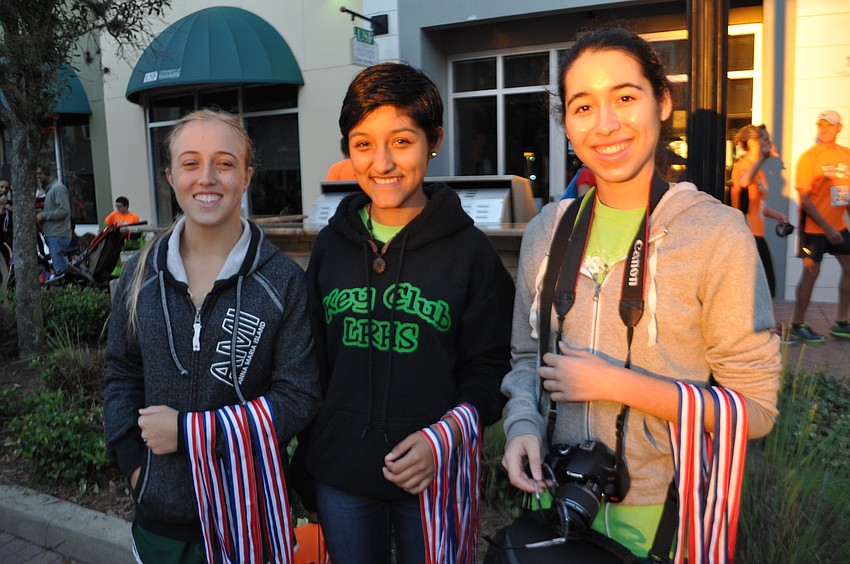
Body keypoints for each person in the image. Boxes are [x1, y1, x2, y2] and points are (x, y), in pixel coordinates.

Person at [500, 28, 780, 560]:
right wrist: (521, 427)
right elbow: (523, 359)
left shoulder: (716, 234)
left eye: (625, 97)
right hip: (561, 502)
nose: (605, 124)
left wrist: (615, 383)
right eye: (583, 106)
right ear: (566, 122)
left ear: (663, 101)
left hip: (666, 520)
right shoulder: (547, 231)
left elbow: (756, 408)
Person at [298, 62, 514, 563]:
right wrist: (310, 459)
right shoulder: (332, 247)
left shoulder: (470, 254)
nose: (382, 162)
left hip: (434, 475)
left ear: (433, 140)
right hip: (343, 475)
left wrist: (443, 439)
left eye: (401, 140)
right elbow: (312, 362)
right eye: (363, 143)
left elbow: (494, 366)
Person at [103, 109, 322, 563]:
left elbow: (299, 395)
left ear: (246, 176)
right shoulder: (140, 275)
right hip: (159, 518)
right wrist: (134, 466)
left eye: (224, 163)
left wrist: (192, 433)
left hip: (249, 514)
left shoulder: (282, 282)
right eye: (190, 163)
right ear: (170, 177)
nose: (207, 178)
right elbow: (121, 372)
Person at [790, 110, 850, 343]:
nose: (824, 129)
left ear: (839, 128)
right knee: (811, 272)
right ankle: (797, 324)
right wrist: (827, 229)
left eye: (829, 125)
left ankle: (842, 322)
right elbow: (805, 199)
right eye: (820, 125)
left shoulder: (846, 155)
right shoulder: (809, 157)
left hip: (839, 226)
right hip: (814, 228)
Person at [730, 124, 788, 297]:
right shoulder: (743, 165)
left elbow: (758, 203)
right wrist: (762, 159)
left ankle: (761, 324)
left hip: (757, 232)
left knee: (766, 286)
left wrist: (777, 215)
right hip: (745, 232)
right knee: (759, 287)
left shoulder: (759, 171)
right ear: (752, 142)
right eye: (764, 139)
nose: (768, 142)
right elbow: (744, 182)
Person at [36, 161, 73, 275]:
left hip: (58, 235)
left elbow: (64, 211)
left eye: (40, 174)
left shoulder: (58, 189)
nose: (38, 177)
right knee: (60, 268)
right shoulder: (51, 189)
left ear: (49, 173)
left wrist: (43, 215)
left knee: (61, 271)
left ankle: (66, 291)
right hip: (54, 235)